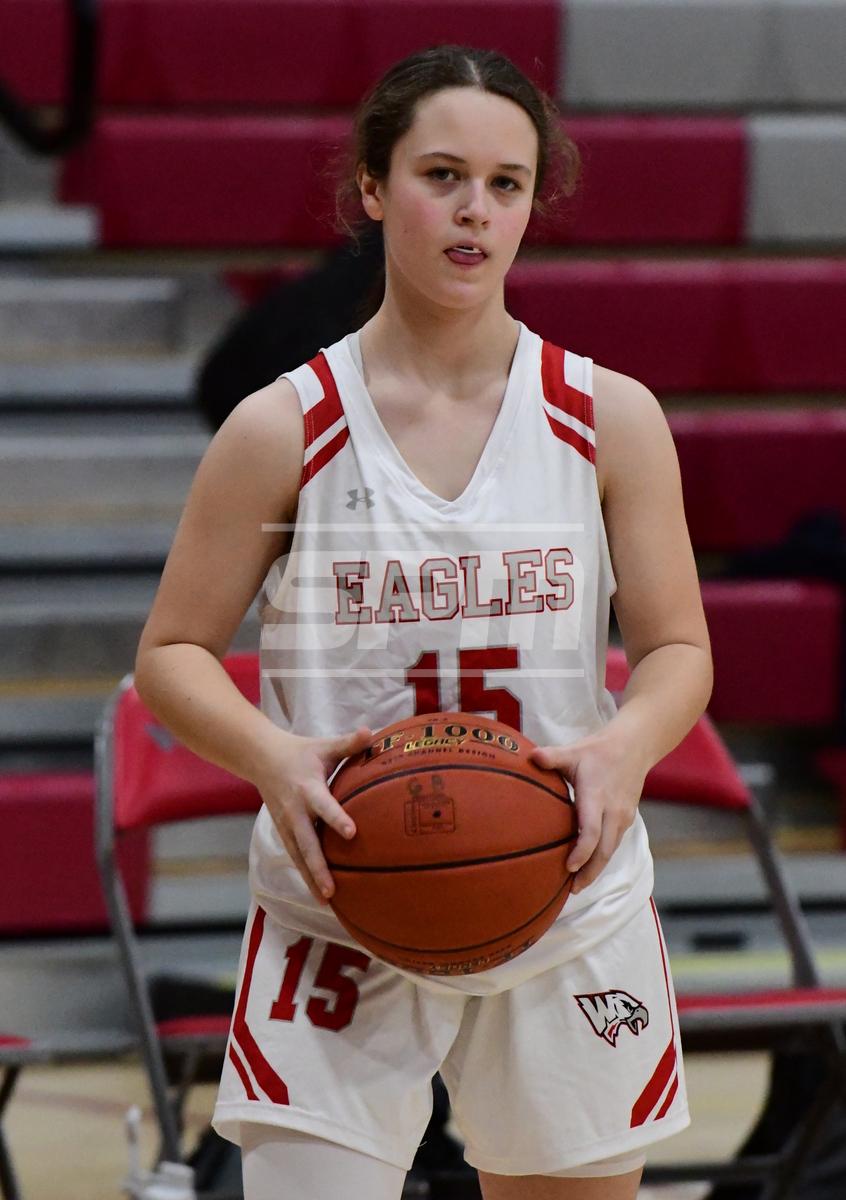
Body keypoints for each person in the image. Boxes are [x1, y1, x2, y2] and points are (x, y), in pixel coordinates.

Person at [134, 44, 713, 1200]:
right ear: (371, 185)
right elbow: (170, 655)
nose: (474, 209)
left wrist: (624, 747)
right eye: (441, 175)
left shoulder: (610, 417)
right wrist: (274, 756)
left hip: (561, 887)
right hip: (340, 897)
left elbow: (678, 652)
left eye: (506, 183)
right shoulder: (283, 426)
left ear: (534, 202)